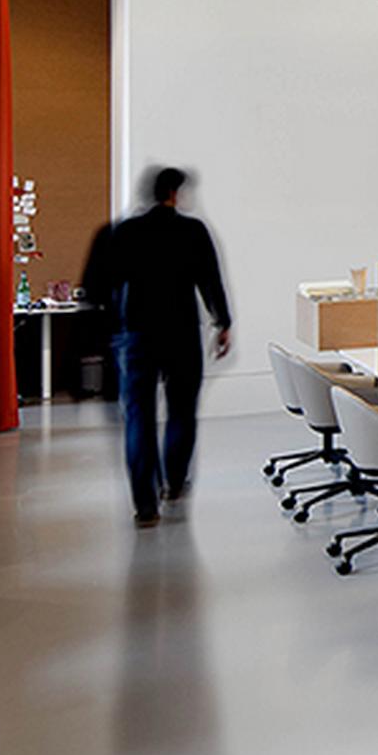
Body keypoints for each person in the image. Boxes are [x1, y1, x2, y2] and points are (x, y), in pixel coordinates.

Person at [96, 167, 232, 526]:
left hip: (137, 334)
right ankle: (173, 483)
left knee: (138, 417)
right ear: (175, 194)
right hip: (181, 333)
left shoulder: (126, 232)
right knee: (181, 411)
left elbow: (107, 285)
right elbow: (210, 280)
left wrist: (114, 331)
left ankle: (145, 506)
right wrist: (223, 322)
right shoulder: (192, 231)